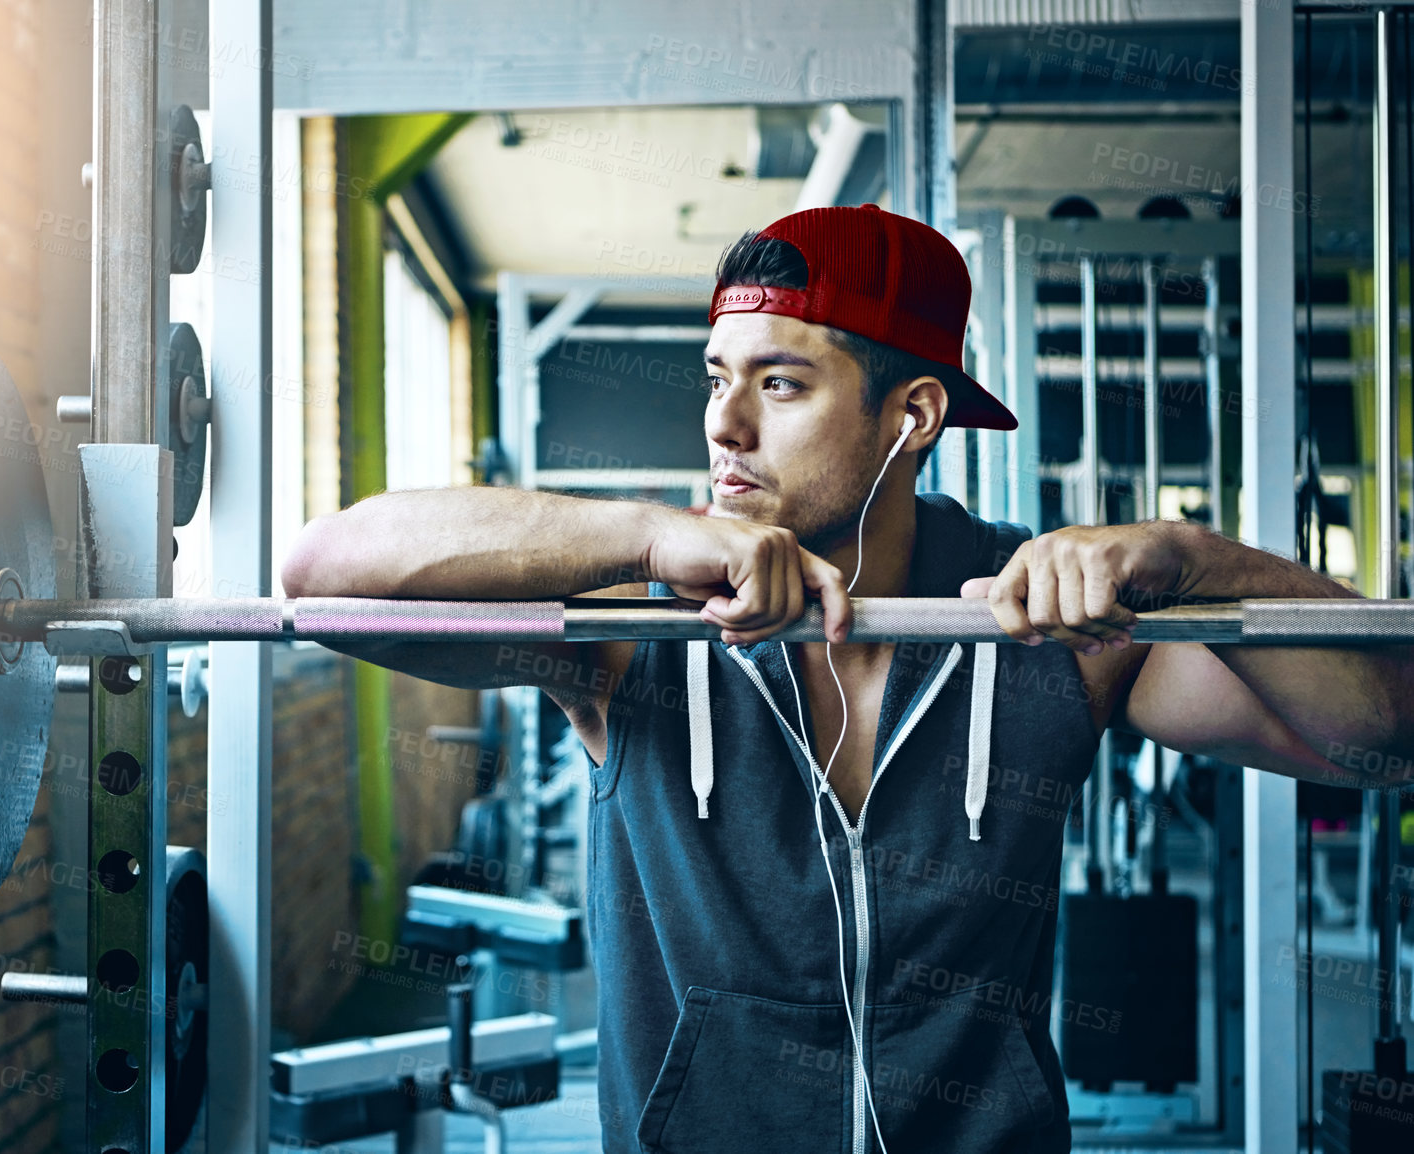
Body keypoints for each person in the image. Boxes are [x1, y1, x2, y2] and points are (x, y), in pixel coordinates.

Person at [281, 205, 1412, 1153]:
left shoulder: (1045, 627)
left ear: (912, 415)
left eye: (779, 385)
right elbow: (319, 576)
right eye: (717, 376)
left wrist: (1192, 557)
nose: (723, 423)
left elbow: (1383, 737)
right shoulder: (642, 629)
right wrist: (641, 533)